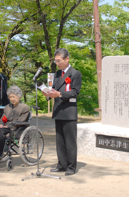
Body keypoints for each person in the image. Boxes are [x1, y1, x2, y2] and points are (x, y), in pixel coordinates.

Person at [42, 48, 82, 176]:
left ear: (67, 59)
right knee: (60, 141)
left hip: (69, 111)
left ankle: (71, 166)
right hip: (58, 110)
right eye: (56, 61)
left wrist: (59, 94)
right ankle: (61, 165)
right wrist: (47, 94)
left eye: (59, 61)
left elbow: (75, 92)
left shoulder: (75, 73)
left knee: (70, 141)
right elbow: (54, 89)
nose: (57, 63)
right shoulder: (57, 74)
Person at [0, 85, 30, 161]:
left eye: (14, 97)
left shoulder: (24, 107)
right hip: (5, 128)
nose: (12, 99)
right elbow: (3, 119)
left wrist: (8, 127)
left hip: (16, 129)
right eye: (10, 97)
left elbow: (21, 121)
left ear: (19, 97)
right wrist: (1, 125)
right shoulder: (7, 107)